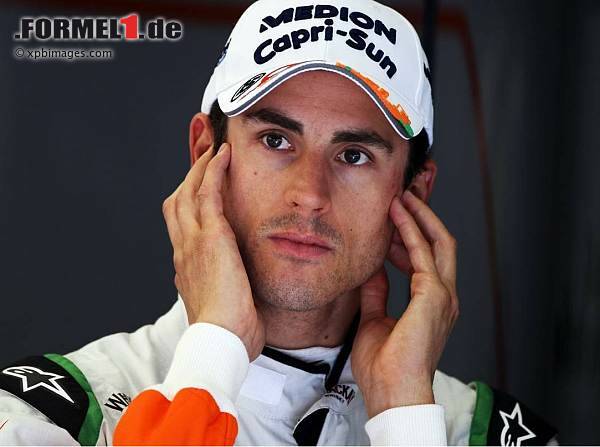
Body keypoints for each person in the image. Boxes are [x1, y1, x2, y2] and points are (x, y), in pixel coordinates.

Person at [0, 0, 558, 445]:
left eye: (354, 155)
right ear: (204, 154)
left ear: (412, 191)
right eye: (275, 140)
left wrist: (407, 420)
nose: (310, 194)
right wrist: (211, 361)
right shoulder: (52, 418)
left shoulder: (491, 435)